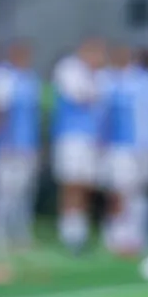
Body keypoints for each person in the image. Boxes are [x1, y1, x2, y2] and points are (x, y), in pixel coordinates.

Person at [97, 45, 148, 255]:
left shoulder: (145, 82)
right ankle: (115, 234)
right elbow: (103, 116)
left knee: (138, 191)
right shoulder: (108, 82)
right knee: (119, 190)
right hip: (119, 145)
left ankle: (138, 235)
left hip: (144, 146)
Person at [0, 40, 42, 255]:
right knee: (3, 193)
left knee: (24, 193)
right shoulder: (2, 78)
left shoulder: (30, 78)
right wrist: (1, 142)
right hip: (7, 147)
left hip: (27, 146)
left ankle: (20, 236)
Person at [50, 37, 106, 253]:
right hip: (71, 137)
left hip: (91, 138)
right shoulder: (69, 68)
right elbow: (82, 97)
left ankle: (79, 231)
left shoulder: (98, 75)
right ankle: (68, 232)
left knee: (85, 185)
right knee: (71, 183)